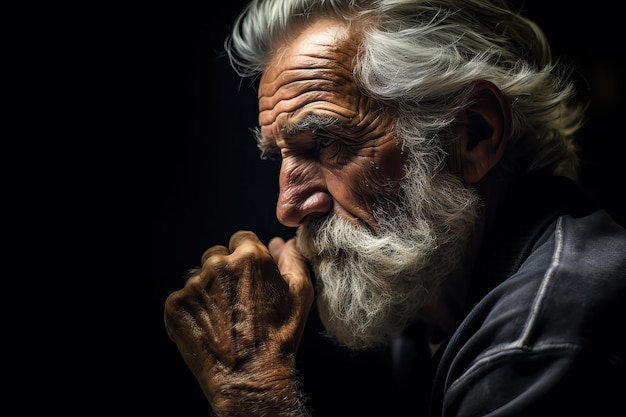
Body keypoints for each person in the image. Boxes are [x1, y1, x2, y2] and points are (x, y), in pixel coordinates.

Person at [163, 0, 626, 415]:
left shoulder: (534, 346)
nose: (288, 207)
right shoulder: (431, 288)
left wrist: (253, 390)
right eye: (280, 155)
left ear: (473, 133)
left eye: (325, 142)